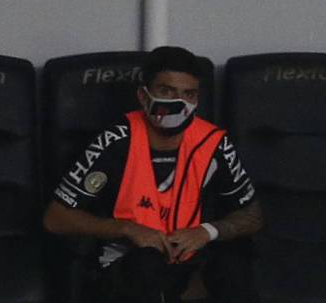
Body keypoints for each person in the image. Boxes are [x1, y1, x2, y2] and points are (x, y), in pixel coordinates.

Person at [44, 46, 263, 303]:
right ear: (143, 96)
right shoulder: (114, 142)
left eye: (188, 94)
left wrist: (207, 231)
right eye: (166, 91)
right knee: (145, 265)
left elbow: (252, 215)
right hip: (130, 261)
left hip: (188, 258)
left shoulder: (213, 143)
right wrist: (126, 229)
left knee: (232, 266)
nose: (178, 102)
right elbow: (55, 218)